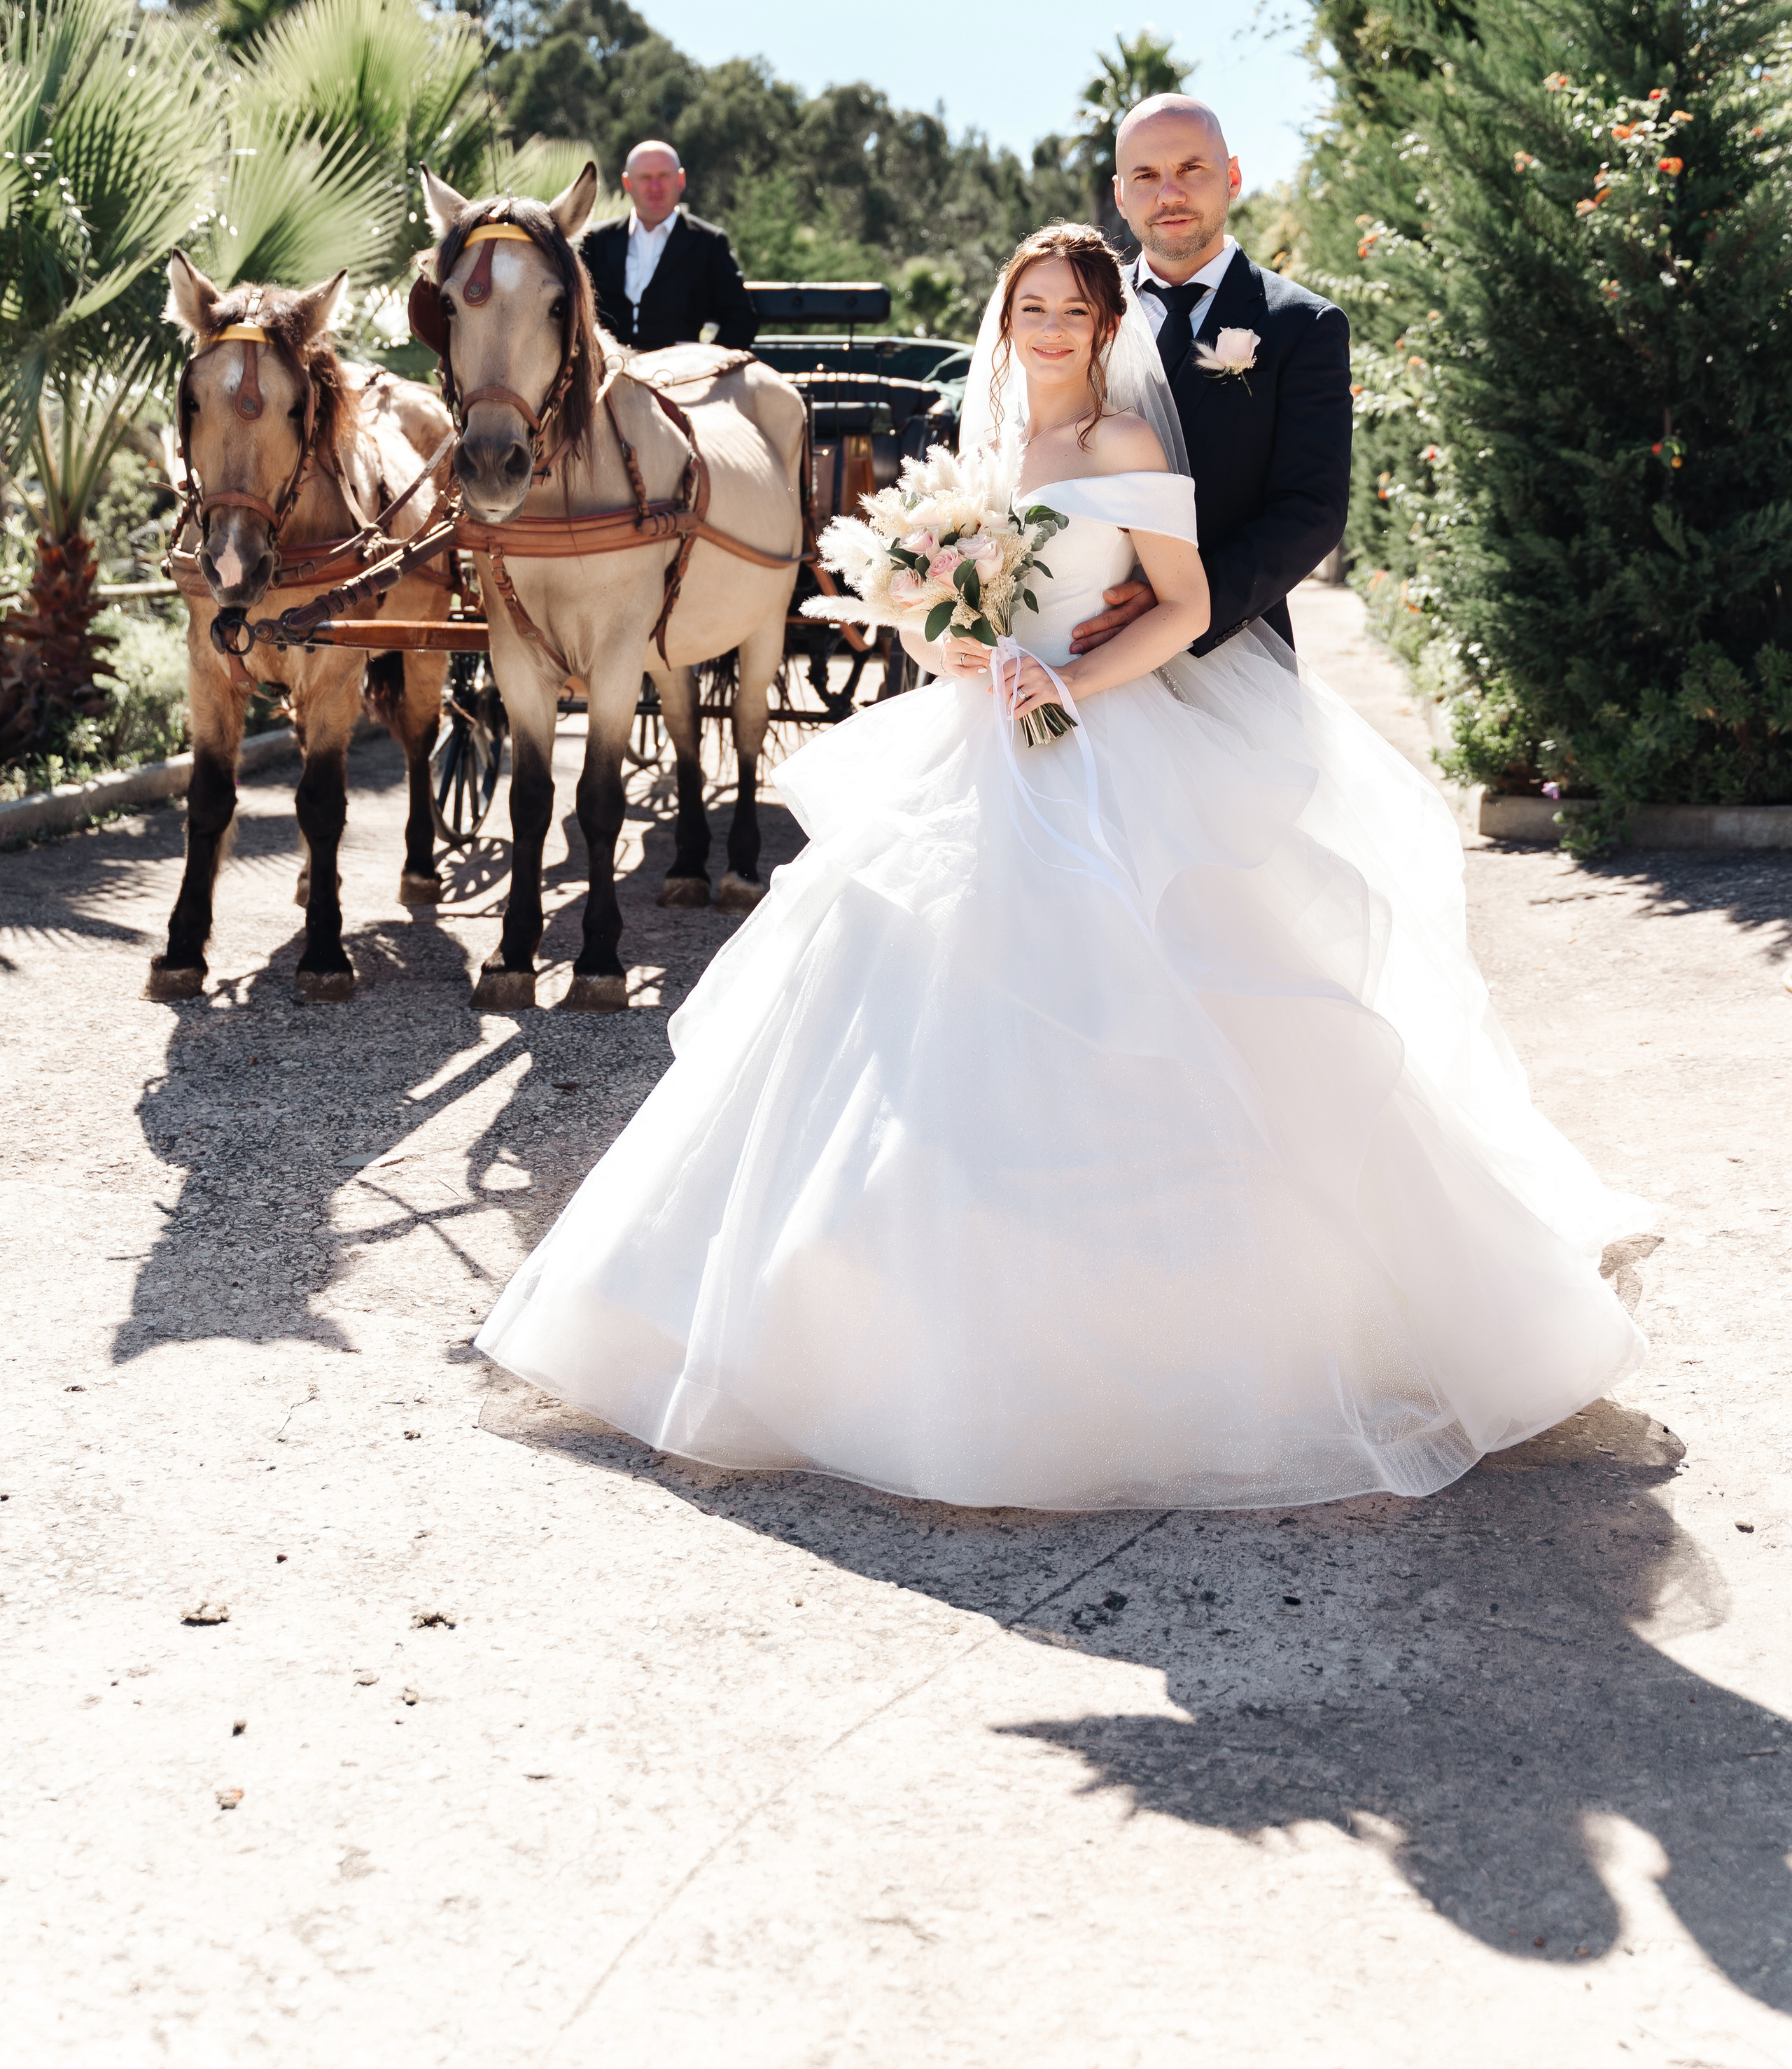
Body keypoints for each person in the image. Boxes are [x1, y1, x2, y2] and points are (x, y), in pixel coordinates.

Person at [474, 221, 1646, 1513]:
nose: (1048, 329)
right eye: (1030, 306)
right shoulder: (979, 454)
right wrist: (953, 647)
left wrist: (1074, 685)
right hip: (977, 749)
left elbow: (1191, 607)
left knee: (1161, 1013)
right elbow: (934, 617)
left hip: (1107, 745)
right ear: (1007, 316)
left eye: (1073, 311)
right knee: (891, 1021)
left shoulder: (1128, 445)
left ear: (1103, 329)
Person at [1071, 93, 1349, 664]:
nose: (1168, 194)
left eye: (1191, 169)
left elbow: (1311, 510)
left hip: (1232, 656)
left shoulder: (1302, 326)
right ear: (1121, 196)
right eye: (1145, 176)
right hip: (1073, 638)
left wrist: (1177, 609)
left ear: (1233, 176)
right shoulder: (1078, 317)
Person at [579, 139, 758, 353]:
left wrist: (706, 366)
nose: (655, 187)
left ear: (681, 180)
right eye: (645, 178)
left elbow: (741, 318)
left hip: (676, 378)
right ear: (628, 184)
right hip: (606, 373)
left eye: (664, 176)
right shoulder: (597, 241)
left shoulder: (708, 243)